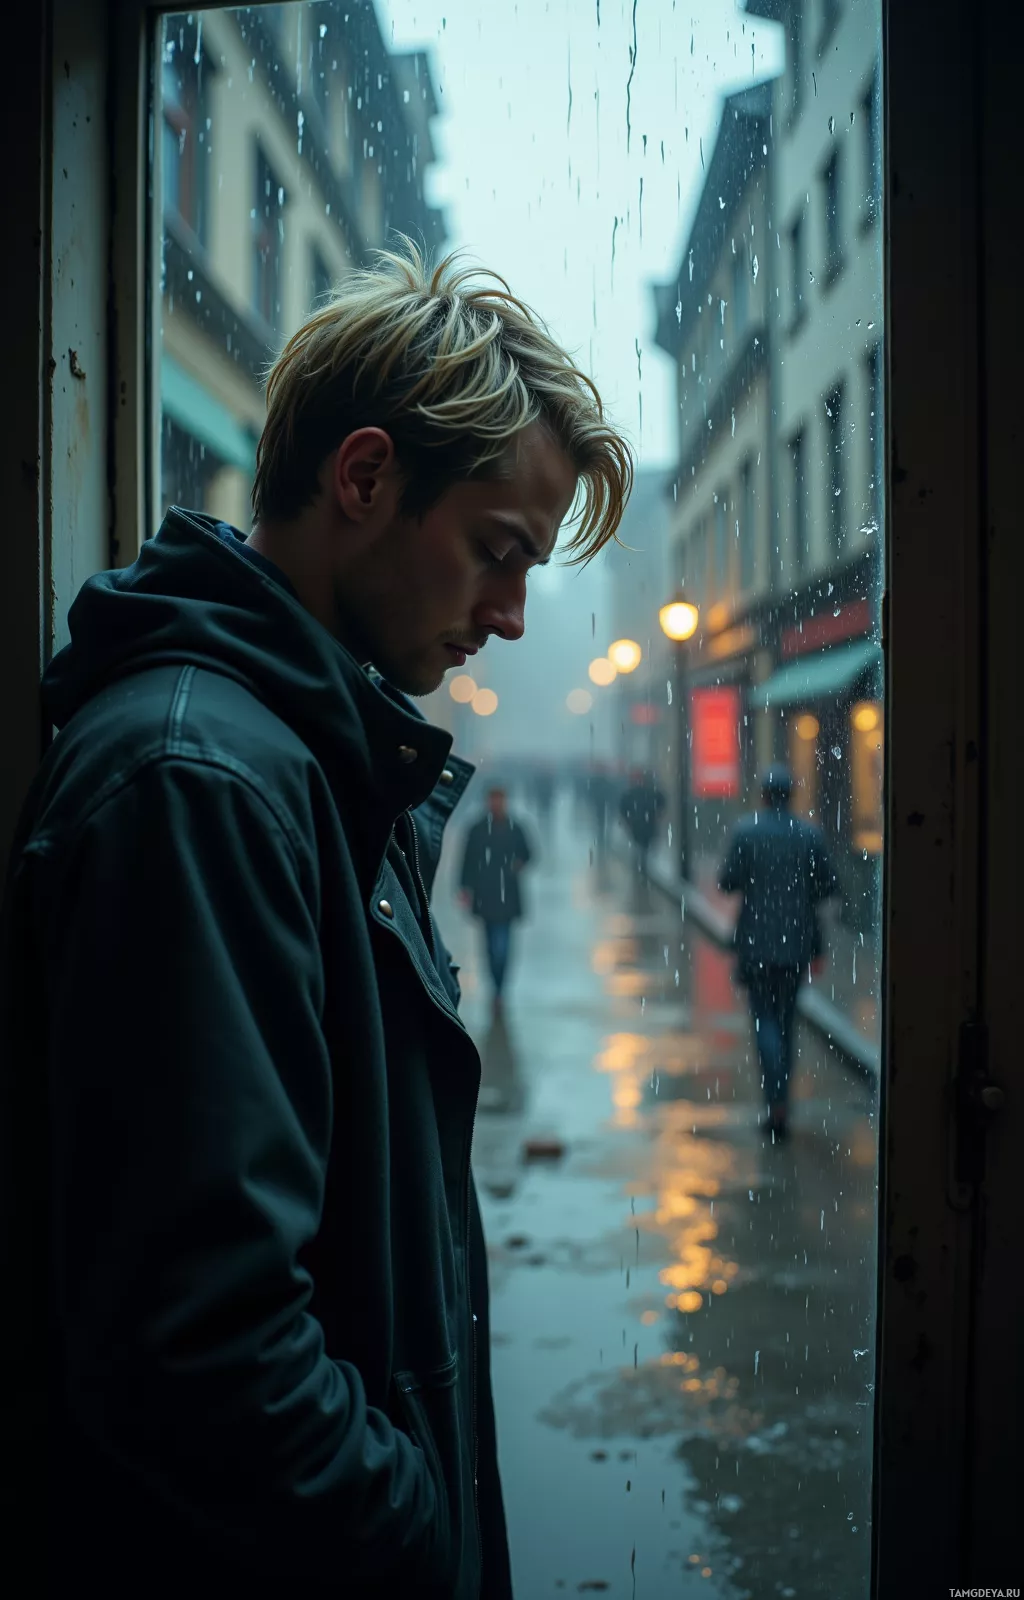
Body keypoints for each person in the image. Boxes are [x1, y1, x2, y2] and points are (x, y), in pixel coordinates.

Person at [0, 237, 633, 1598]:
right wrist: (416, 1533)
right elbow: (203, 1352)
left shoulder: (300, 758)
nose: (513, 617)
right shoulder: (203, 783)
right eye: (498, 552)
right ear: (364, 478)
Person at [718, 763, 838, 1142]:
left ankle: (774, 1102)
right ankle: (782, 1099)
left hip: (756, 942)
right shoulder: (809, 835)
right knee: (786, 1022)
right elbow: (829, 886)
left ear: (764, 795)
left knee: (764, 1020)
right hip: (796, 943)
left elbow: (726, 881)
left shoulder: (746, 832)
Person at [458, 787, 534, 1013]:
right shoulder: (477, 829)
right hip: (485, 894)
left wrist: (517, 865)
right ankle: (495, 986)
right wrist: (464, 888)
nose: (496, 804)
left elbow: (529, 853)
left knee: (503, 947)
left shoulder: (515, 827)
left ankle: (500, 988)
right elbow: (467, 860)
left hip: (507, 894)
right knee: (490, 946)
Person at [618, 765, 667, 874]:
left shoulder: (634, 793)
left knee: (641, 846)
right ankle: (642, 866)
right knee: (643, 846)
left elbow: (623, 808)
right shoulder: (650, 792)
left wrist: (627, 820)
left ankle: (640, 866)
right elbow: (661, 803)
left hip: (640, 824)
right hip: (645, 824)